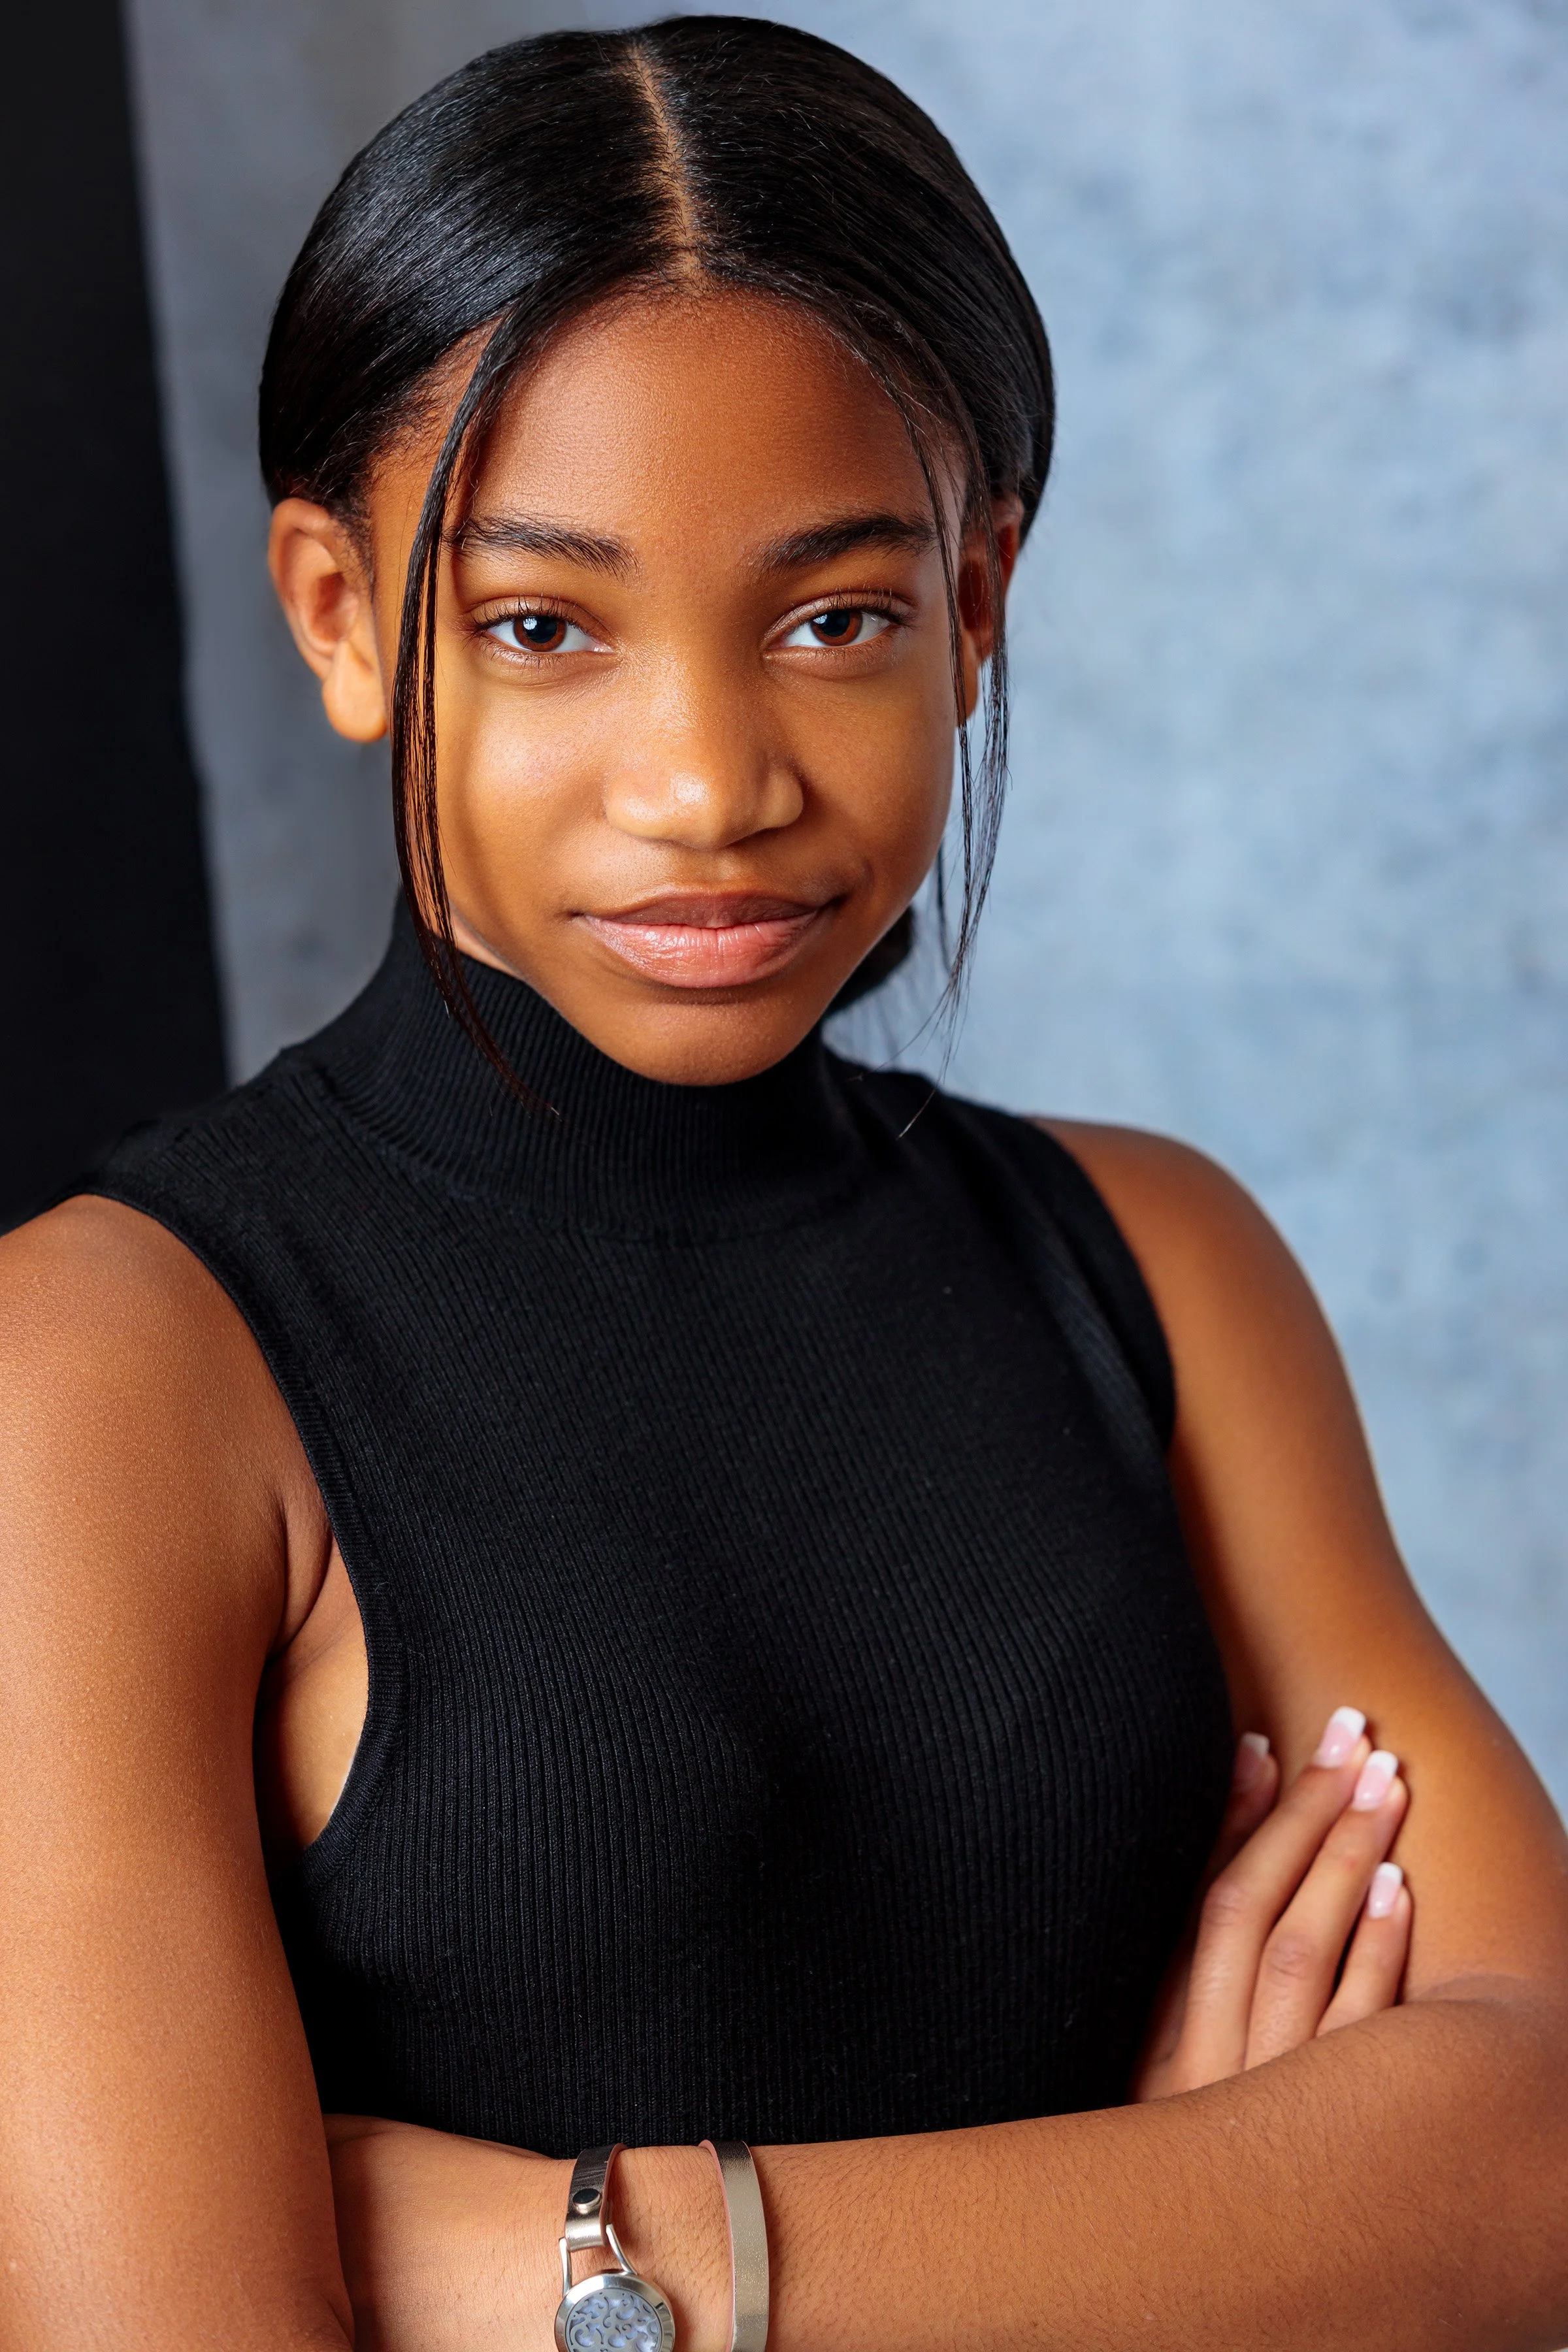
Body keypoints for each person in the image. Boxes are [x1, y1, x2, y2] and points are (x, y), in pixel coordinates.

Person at [1, 18, 1564, 2350]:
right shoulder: (108, 1372)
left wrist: (624, 2268)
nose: (712, 779)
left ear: (982, 593)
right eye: (545, 628)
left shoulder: (1155, 1266)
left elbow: (1538, 2154)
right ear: (346, 618)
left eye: (839, 616)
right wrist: (1227, 2226)